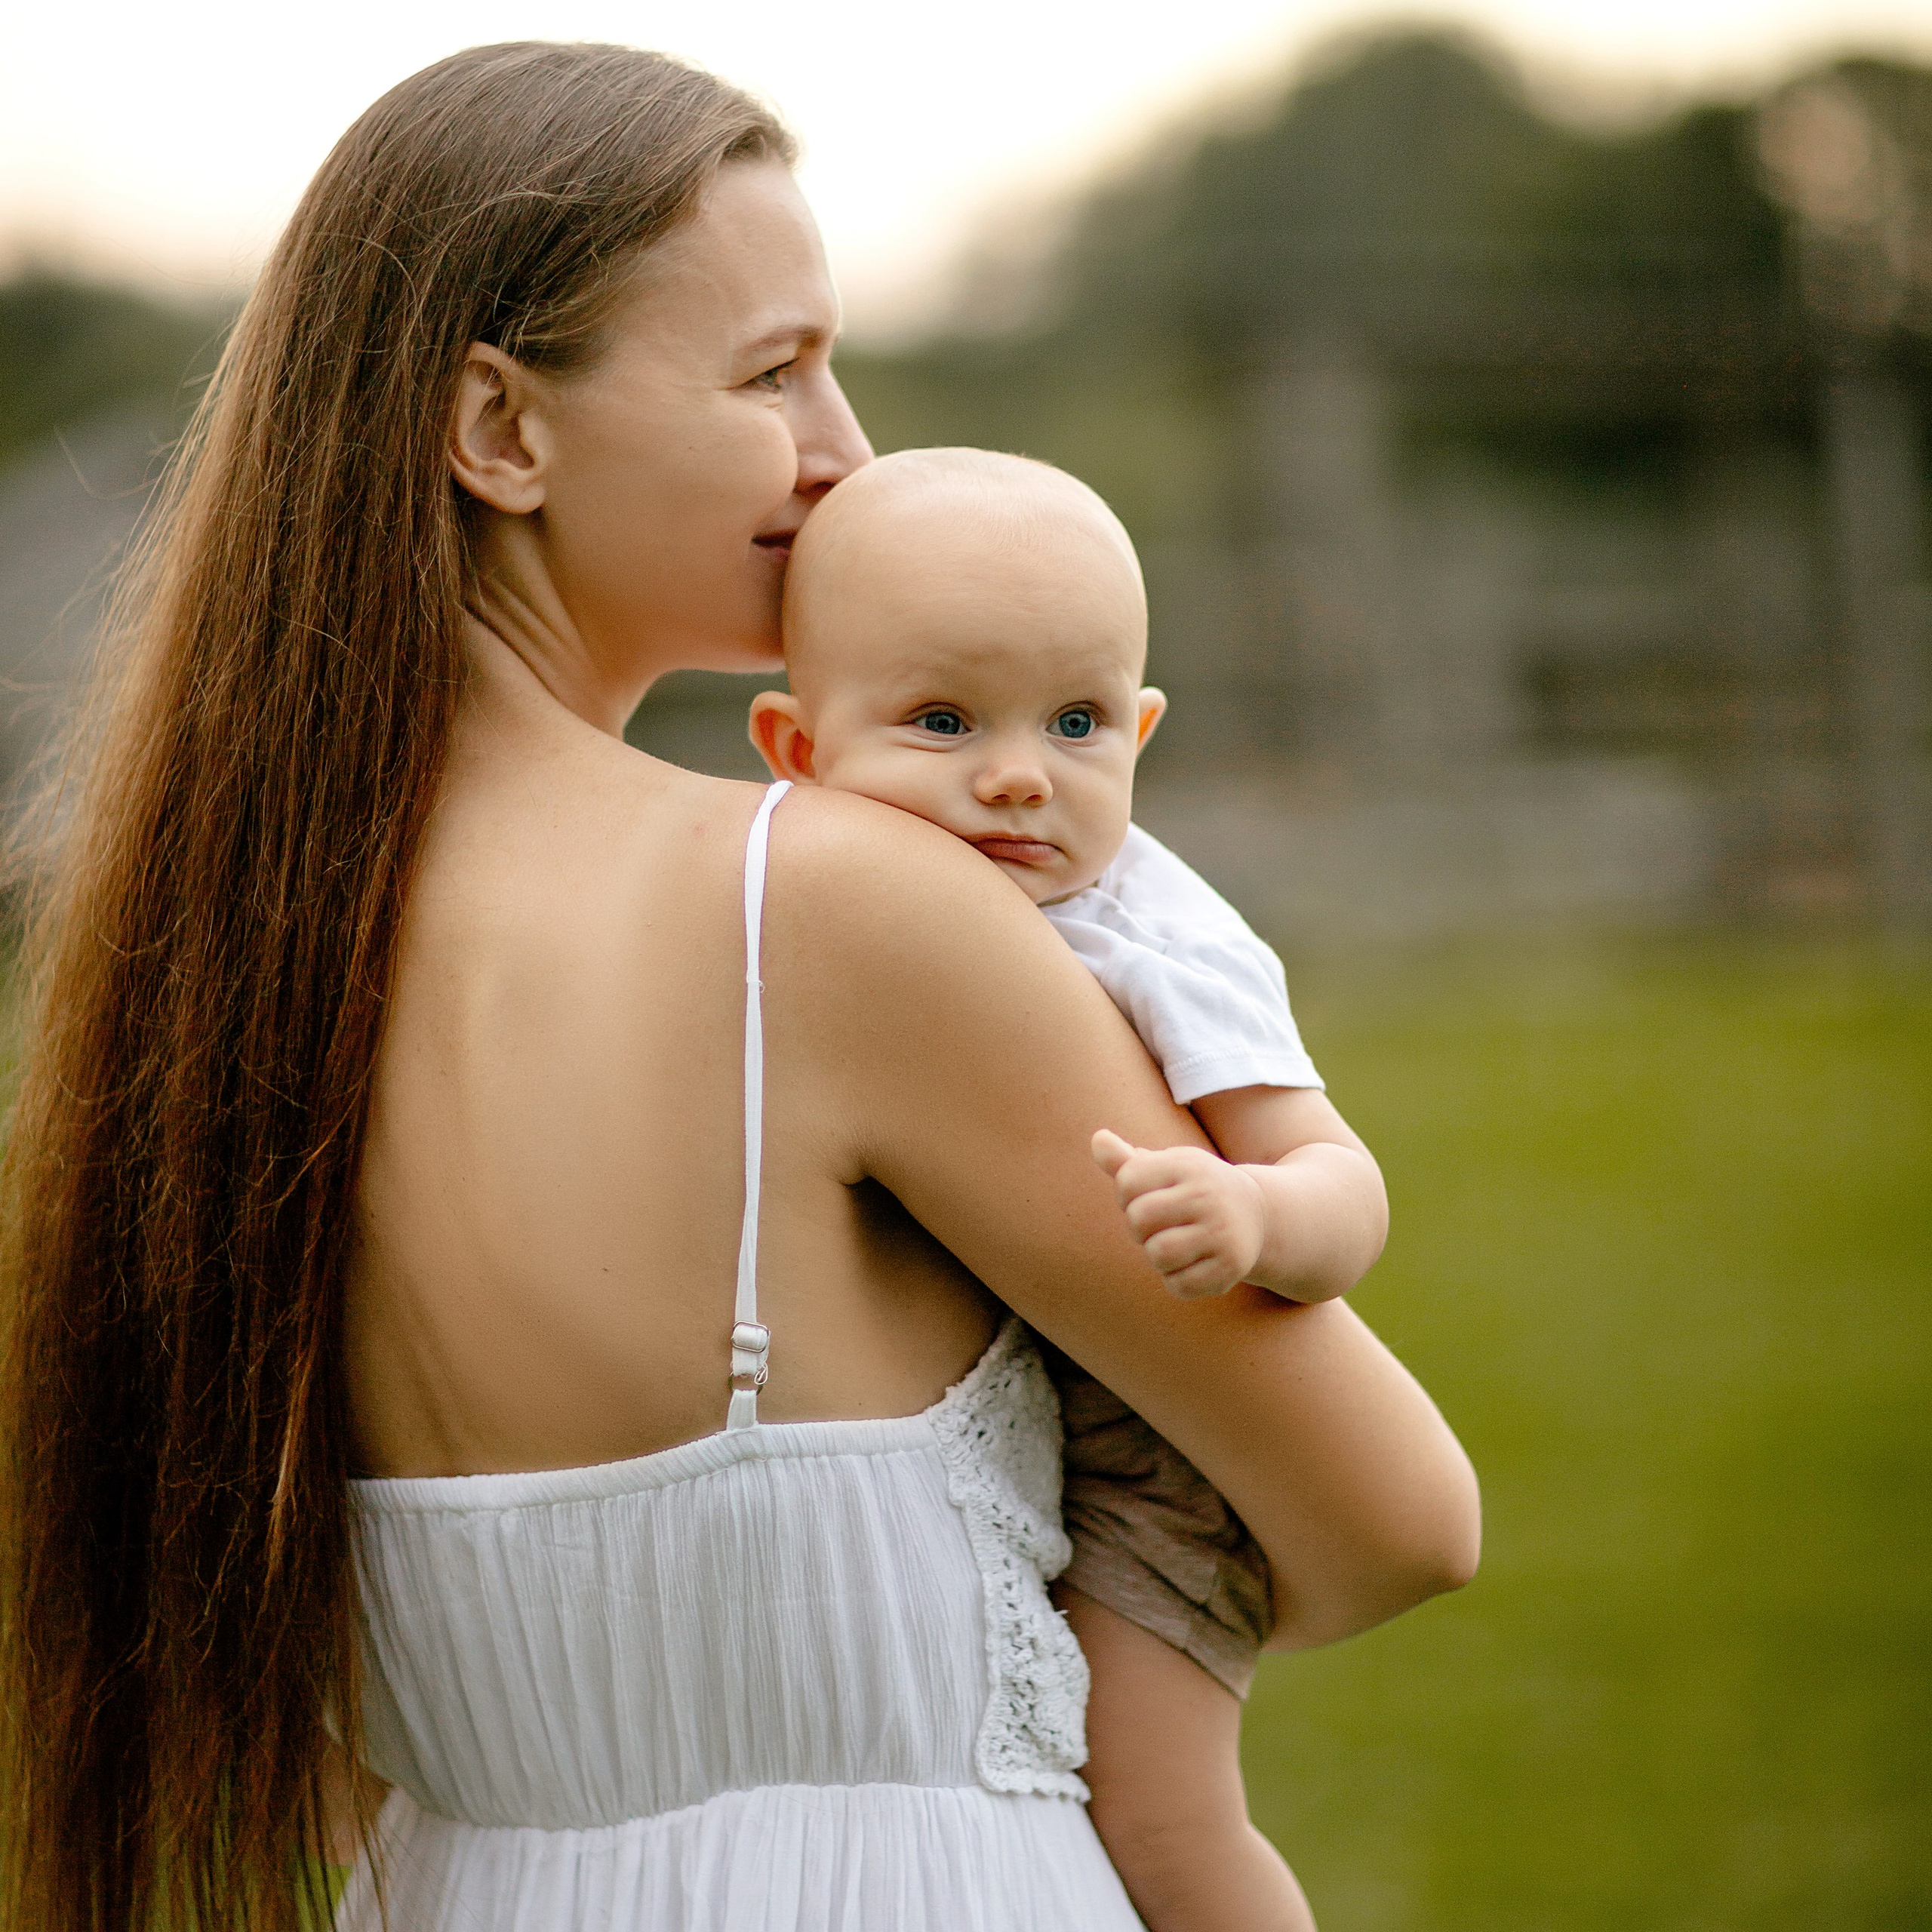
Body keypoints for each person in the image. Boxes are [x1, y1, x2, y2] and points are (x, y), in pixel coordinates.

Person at [0, 42, 1479, 1932]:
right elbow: (1392, 1517)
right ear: (501, 431)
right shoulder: (832, 900)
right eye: (771, 366)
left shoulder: (221, 962)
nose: (842, 445)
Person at [748, 447, 1380, 1929]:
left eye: (1078, 720)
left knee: (1154, 1813)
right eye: (943, 719)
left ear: (1142, 730)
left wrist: (1253, 1220)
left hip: (1148, 1461)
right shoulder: (802, 893)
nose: (1020, 769)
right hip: (957, 1424)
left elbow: (1341, 1181)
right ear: (793, 745)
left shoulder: (1146, 936)